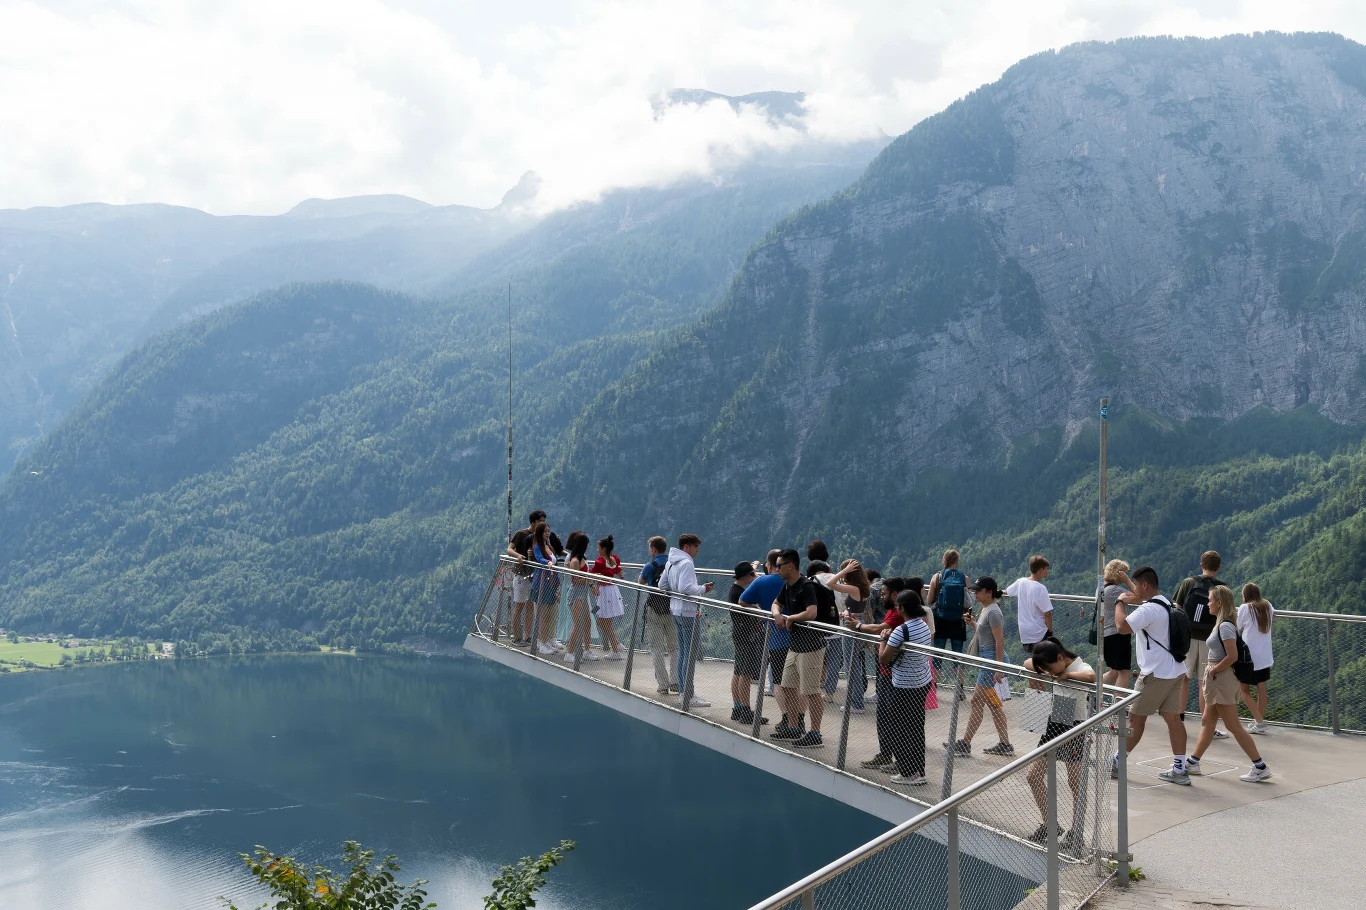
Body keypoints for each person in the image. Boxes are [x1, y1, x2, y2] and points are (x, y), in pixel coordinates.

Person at [1184, 586, 1273, 782]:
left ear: (1219, 603)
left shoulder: (1225, 626)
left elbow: (1232, 656)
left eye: (1210, 600)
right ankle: (1192, 762)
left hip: (1221, 680)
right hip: (1219, 680)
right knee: (1208, 722)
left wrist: (1214, 670)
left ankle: (1260, 766)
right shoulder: (1222, 624)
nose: (1207, 603)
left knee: (1234, 726)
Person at [1114, 566, 1192, 786]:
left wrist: (1119, 602)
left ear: (1144, 585)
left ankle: (1117, 763)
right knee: (1173, 719)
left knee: (1135, 720)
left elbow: (1121, 626)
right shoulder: (1164, 602)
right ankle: (1179, 769)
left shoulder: (1148, 610)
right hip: (1175, 670)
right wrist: (1129, 582)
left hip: (1155, 673)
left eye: (1136, 585)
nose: (1134, 590)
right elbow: (1142, 599)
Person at [1022, 638, 1096, 846]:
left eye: (1052, 667)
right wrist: (1047, 672)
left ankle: (1076, 831)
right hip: (1056, 719)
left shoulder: (1081, 666)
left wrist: (1068, 675)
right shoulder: (1052, 664)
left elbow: (1091, 676)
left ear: (1060, 657)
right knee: (1033, 775)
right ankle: (1050, 824)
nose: (1051, 673)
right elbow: (1027, 663)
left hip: (1075, 725)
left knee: (1075, 783)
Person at [950, 577, 1014, 757]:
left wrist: (998, 668)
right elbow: (985, 633)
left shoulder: (993, 612)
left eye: (978, 591)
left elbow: (999, 641)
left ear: (989, 592)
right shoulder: (987, 608)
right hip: (989, 661)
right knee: (993, 705)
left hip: (992, 661)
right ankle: (1005, 743)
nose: (975, 593)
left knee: (977, 700)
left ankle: (965, 743)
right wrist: (972, 624)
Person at [771, 549, 829, 748]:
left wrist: (791, 618)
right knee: (787, 686)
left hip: (811, 647)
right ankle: (794, 727)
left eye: (779, 565)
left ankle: (815, 733)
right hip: (795, 646)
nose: (776, 569)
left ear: (790, 566)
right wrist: (778, 614)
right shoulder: (787, 586)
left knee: (812, 691)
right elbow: (775, 604)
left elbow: (812, 612)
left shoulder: (806, 586)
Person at [878, 590, 934, 785]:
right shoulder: (924, 626)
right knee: (916, 728)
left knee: (898, 730)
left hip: (904, 686)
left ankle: (908, 772)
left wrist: (884, 638)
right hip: (922, 682)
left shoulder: (902, 631)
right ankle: (919, 770)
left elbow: (884, 659)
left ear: (901, 608)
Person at [853, 576, 906, 769]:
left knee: (889, 716)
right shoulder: (893, 611)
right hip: (888, 672)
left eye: (884, 594)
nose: (881, 597)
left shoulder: (895, 614)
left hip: (890, 673)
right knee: (885, 716)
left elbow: (880, 630)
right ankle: (888, 755)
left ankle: (891, 757)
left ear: (894, 594)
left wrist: (858, 626)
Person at [741, 550, 795, 730]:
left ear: (770, 565)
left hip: (775, 637)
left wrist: (760, 610)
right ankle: (798, 720)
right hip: (798, 637)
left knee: (778, 682)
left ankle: (787, 717)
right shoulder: (796, 580)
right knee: (796, 683)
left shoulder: (761, 581)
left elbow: (743, 601)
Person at [1172, 551, 1227, 724]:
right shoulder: (1221, 589)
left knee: (1183, 678)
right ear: (1218, 568)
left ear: (1201, 564)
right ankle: (1206, 721)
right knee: (1205, 681)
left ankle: (1179, 716)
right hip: (1209, 640)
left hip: (1187, 637)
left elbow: (1177, 607)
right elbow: (1224, 615)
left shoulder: (1189, 582)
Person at [663, 534, 715, 708]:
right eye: (695, 546)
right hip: (688, 612)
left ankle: (683, 692)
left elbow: (662, 585)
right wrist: (703, 588)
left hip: (675, 610)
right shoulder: (686, 563)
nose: (697, 549)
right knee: (689, 654)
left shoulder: (671, 562)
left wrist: (674, 589)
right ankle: (689, 695)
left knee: (683, 653)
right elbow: (686, 588)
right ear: (687, 547)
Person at [818, 559, 871, 710]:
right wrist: (846, 612)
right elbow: (858, 607)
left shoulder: (854, 588)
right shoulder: (864, 587)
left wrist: (843, 571)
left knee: (851, 666)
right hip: (855, 620)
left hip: (850, 626)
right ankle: (856, 701)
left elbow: (830, 584)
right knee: (854, 665)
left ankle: (856, 704)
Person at [728, 561, 767, 724]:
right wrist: (758, 610)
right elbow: (751, 611)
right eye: (752, 574)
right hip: (747, 635)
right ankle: (746, 711)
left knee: (738, 671)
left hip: (739, 633)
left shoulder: (735, 589)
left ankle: (737, 708)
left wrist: (754, 567)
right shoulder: (739, 593)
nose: (755, 577)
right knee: (746, 673)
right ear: (745, 577)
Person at [639, 536, 678, 695]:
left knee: (656, 648)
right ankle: (676, 681)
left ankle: (663, 685)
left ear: (653, 549)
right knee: (675, 647)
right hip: (673, 609)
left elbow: (640, 582)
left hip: (654, 609)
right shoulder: (673, 564)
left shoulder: (650, 565)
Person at [1237, 583, 1275, 734]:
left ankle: (1260, 722)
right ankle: (1259, 722)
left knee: (1244, 690)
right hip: (1265, 656)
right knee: (1261, 688)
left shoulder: (1245, 608)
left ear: (1245, 596)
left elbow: (1238, 626)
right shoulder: (1268, 606)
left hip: (1248, 657)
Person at [506, 510, 545, 643]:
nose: (543, 524)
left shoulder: (540, 537)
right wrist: (518, 556)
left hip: (534, 576)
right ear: (533, 522)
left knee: (529, 606)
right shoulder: (521, 534)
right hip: (521, 574)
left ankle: (526, 636)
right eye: (540, 521)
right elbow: (509, 549)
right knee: (519, 606)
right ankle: (516, 636)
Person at [1006, 556, 1054, 657]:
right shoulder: (1041, 589)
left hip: (1024, 631)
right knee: (1045, 660)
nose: (1047, 572)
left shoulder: (1021, 582)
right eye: (1046, 569)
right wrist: (1050, 631)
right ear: (1041, 570)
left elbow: (1009, 591)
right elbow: (1047, 614)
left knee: (1034, 659)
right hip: (1039, 631)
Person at [529, 521, 563, 656]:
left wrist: (558, 583)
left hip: (551, 582)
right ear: (539, 532)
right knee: (543, 615)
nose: (547, 533)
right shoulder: (537, 546)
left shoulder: (549, 545)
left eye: (549, 531)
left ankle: (547, 640)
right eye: (545, 531)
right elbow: (538, 558)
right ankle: (542, 643)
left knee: (550, 613)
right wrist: (547, 562)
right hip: (541, 582)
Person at [589, 535, 624, 660]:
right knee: (605, 620)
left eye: (599, 547)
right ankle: (616, 645)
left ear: (603, 549)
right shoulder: (614, 559)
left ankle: (615, 649)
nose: (597, 550)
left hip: (603, 592)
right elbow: (618, 572)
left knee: (602, 620)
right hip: (613, 590)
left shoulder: (600, 561)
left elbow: (591, 572)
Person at [927, 549, 969, 654]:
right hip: (958, 620)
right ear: (957, 561)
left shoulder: (937, 577)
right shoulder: (964, 578)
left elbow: (929, 600)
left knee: (938, 655)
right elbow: (969, 602)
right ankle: (958, 670)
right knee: (958, 657)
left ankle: (937, 671)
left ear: (944, 560)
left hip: (940, 620)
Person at [1102, 560, 1135, 689]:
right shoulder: (1115, 591)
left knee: (1114, 671)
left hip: (1106, 634)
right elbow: (1138, 596)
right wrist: (1127, 581)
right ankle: (1119, 705)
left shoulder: (1101, 589)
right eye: (1124, 573)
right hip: (1118, 634)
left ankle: (1092, 692)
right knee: (1124, 672)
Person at [562, 531, 595, 663]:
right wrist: (590, 578)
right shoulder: (575, 560)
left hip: (583, 593)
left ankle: (587, 651)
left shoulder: (582, 559)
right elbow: (575, 580)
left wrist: (591, 583)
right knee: (577, 624)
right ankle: (569, 653)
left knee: (587, 622)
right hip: (576, 594)